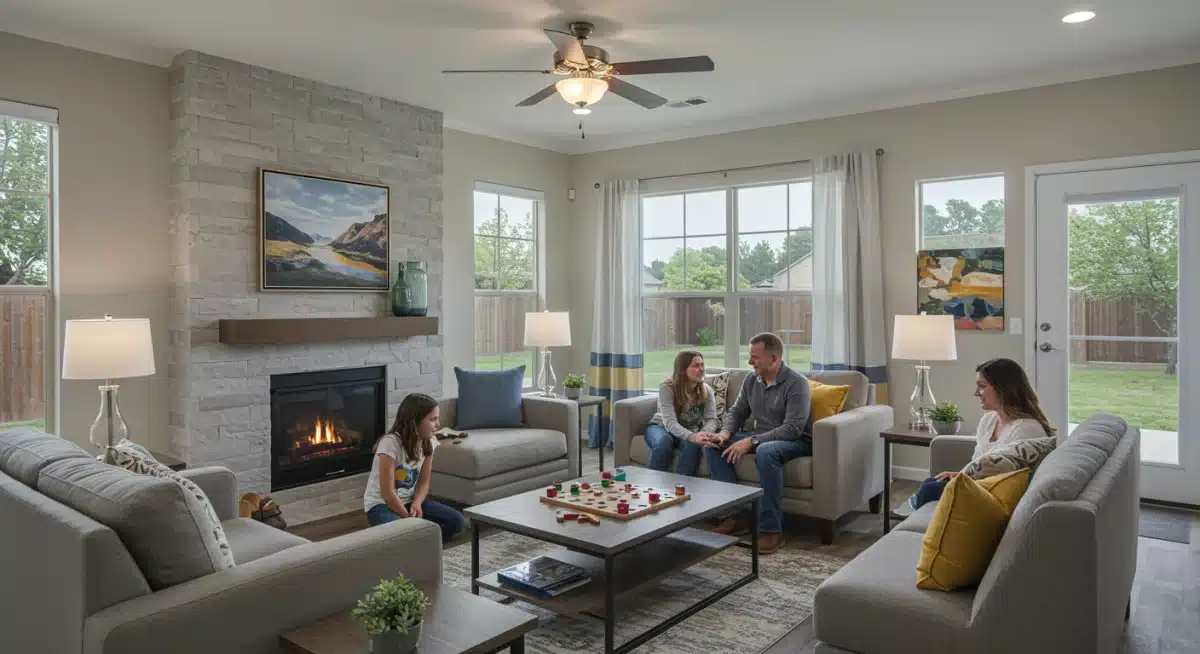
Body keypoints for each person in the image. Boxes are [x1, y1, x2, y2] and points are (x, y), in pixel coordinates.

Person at [895, 357, 1056, 516]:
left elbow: (1010, 479)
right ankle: (911, 514)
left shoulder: (1027, 429)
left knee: (931, 489)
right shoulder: (989, 420)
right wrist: (961, 476)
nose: (976, 393)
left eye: (982, 386)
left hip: (995, 494)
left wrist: (964, 479)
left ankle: (908, 514)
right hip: (981, 485)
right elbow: (980, 463)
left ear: (1003, 388)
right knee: (932, 482)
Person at [705, 332, 811, 554]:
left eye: (755, 357)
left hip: (794, 441)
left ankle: (772, 530)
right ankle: (736, 515)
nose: (750, 362)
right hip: (761, 436)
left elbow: (792, 428)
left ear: (774, 358)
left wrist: (751, 441)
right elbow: (737, 411)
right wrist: (724, 433)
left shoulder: (797, 383)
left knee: (765, 452)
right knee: (712, 446)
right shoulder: (752, 380)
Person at [364, 393, 466, 541]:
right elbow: (388, 493)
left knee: (457, 521)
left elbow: (423, 483)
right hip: (382, 505)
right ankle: (414, 539)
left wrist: (417, 503)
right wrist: (409, 520)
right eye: (433, 419)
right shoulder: (390, 443)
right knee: (406, 534)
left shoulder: (429, 442)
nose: (438, 424)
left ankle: (418, 541)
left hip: (410, 502)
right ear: (414, 422)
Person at [645, 350, 720, 475]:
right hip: (660, 427)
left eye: (702, 365)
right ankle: (652, 486)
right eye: (696, 366)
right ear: (683, 370)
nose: (701, 369)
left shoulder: (707, 390)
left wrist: (703, 434)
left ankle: (682, 486)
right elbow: (670, 423)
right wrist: (693, 436)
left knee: (693, 445)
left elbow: (712, 419)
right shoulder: (667, 388)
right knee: (664, 444)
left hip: (689, 429)